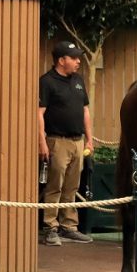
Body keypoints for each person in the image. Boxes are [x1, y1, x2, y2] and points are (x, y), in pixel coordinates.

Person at [38, 40, 95, 245]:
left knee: (72, 185)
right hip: (57, 140)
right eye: (74, 58)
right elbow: (40, 113)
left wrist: (89, 139)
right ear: (61, 60)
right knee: (55, 184)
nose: (78, 61)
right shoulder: (47, 81)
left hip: (77, 141)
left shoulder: (78, 80)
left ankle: (69, 226)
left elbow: (85, 111)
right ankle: (50, 226)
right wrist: (42, 140)